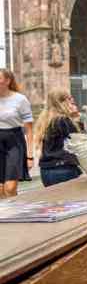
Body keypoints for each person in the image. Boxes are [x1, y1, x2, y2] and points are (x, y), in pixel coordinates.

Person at [33, 90, 83, 187]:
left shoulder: (44, 120)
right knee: (71, 200)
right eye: (69, 99)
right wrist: (76, 120)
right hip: (63, 167)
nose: (72, 101)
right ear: (63, 102)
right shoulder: (63, 120)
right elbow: (78, 141)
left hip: (46, 170)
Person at [0, 69, 34, 198]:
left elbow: (29, 130)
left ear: (8, 81)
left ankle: (15, 213)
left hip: (14, 143)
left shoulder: (20, 99)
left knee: (10, 187)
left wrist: (30, 156)